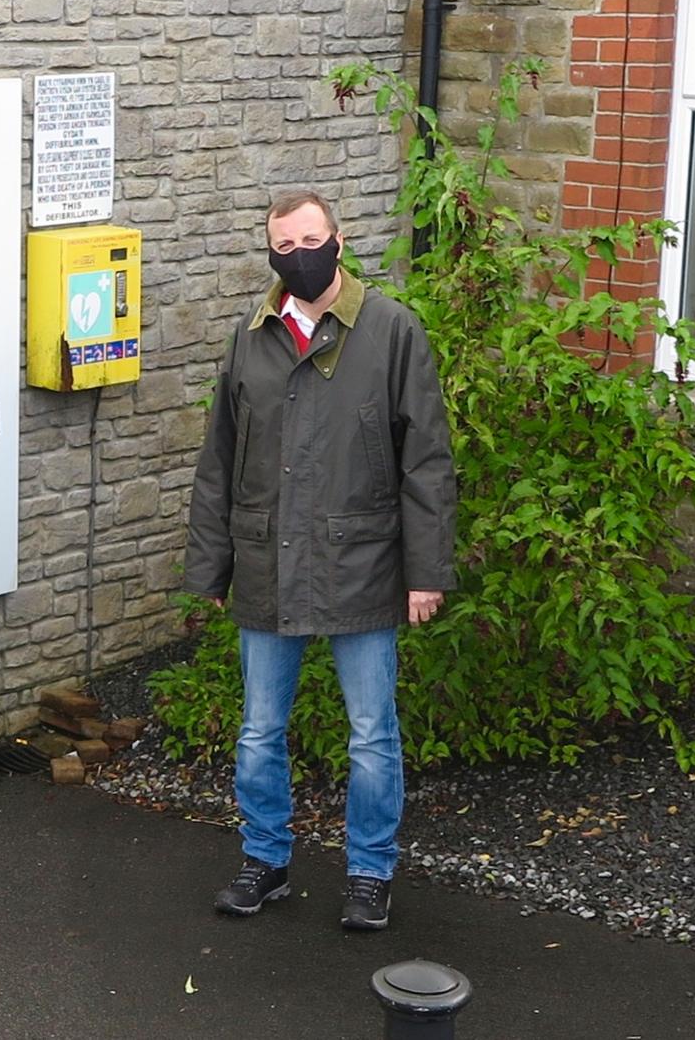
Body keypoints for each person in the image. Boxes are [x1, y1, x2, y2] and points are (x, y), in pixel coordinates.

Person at [182, 190, 457, 931]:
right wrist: (209, 568)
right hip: (268, 561)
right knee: (258, 730)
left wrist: (427, 571)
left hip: (362, 564)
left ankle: (370, 870)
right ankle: (264, 858)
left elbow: (426, 459)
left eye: (311, 238)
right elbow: (220, 459)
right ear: (270, 251)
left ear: (338, 240)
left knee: (372, 731)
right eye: (284, 243)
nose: (298, 254)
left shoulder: (391, 329)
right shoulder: (252, 335)